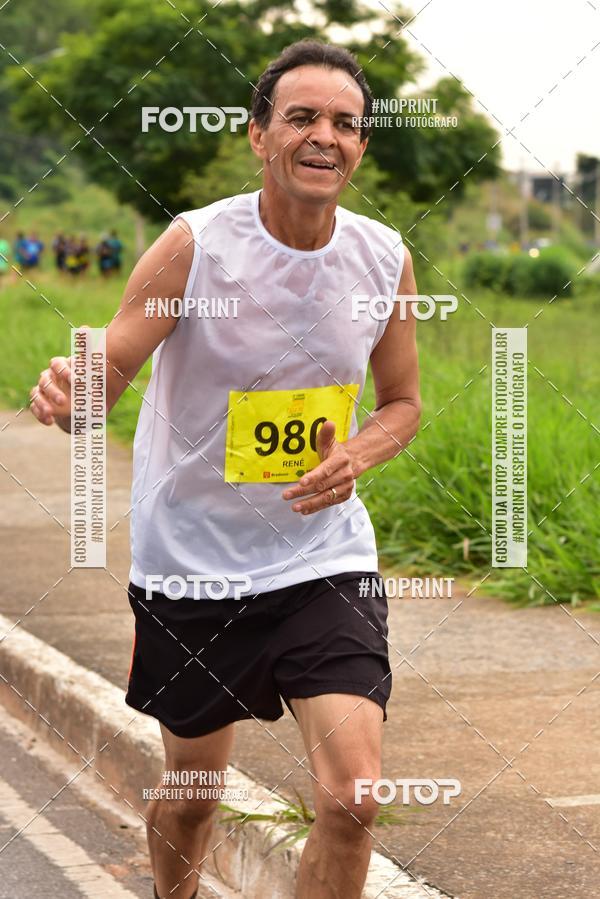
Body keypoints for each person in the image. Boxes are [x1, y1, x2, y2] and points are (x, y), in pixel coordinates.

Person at [30, 39, 421, 899]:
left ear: (361, 146)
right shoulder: (195, 246)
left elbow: (402, 403)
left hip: (324, 559)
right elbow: (113, 368)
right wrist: (75, 390)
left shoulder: (383, 256)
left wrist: (358, 451)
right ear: (258, 135)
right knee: (194, 798)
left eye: (346, 123)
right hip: (194, 568)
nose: (326, 136)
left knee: (353, 796)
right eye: (303, 117)